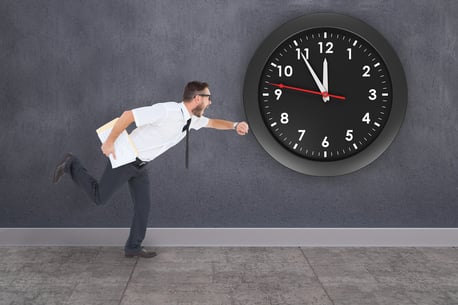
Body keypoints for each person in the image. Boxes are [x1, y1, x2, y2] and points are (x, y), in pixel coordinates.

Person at [53, 81, 249, 258]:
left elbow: (213, 123)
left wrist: (235, 125)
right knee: (99, 198)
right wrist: (110, 141)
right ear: (197, 98)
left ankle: (133, 247)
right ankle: (71, 163)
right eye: (208, 99)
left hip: (141, 165)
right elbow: (129, 115)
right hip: (125, 159)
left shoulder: (191, 119)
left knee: (143, 206)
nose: (210, 103)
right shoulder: (167, 111)